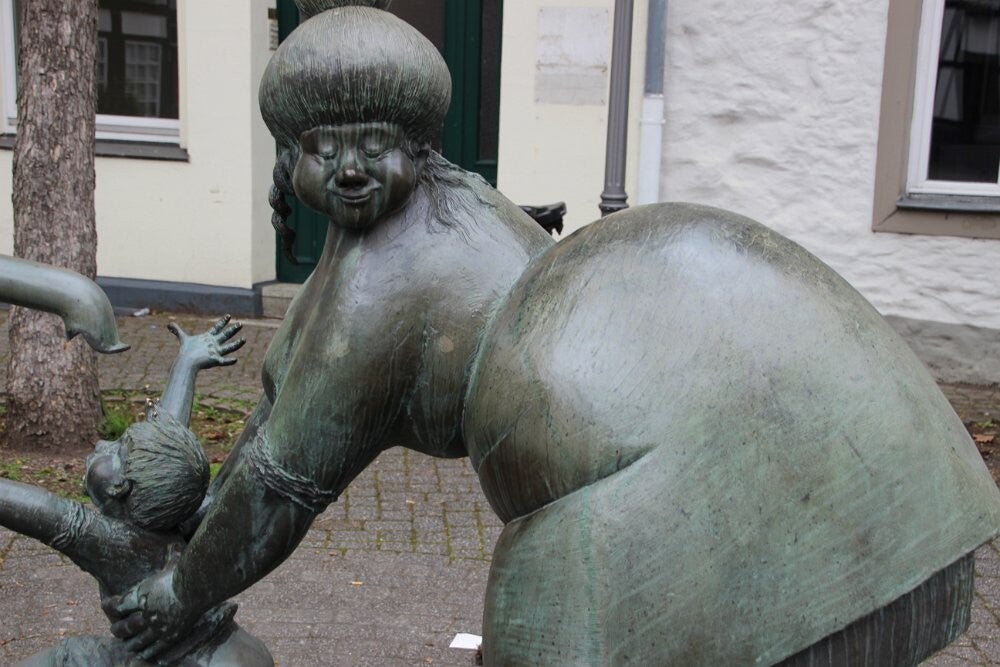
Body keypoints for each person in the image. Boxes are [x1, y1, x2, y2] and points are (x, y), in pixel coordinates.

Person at [109, 3, 1000, 665]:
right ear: (289, 156)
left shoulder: (386, 288)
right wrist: (198, 523)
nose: (349, 170)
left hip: (714, 496)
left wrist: (181, 591)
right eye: (323, 148)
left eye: (374, 144)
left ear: (416, 147)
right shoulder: (452, 210)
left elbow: (279, 488)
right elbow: (281, 405)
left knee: (543, 622)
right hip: (838, 482)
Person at [0, 317, 272, 666]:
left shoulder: (112, 541)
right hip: (237, 649)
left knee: (63, 660)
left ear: (120, 486)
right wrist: (186, 364)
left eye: (116, 449)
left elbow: (46, 510)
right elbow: (163, 439)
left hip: (189, 660)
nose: (103, 442)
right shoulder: (175, 507)